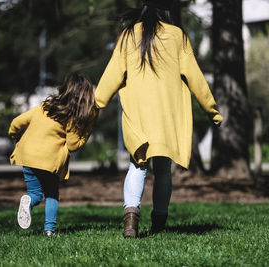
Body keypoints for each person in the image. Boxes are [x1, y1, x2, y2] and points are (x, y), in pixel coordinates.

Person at [94, 0, 223, 238]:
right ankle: (159, 223)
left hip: (138, 114)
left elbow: (112, 74)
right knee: (163, 169)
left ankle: (131, 220)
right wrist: (212, 110)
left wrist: (97, 103)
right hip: (166, 115)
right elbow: (195, 77)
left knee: (137, 164)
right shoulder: (177, 36)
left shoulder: (127, 36)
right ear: (168, 10)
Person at [8, 72, 96, 236]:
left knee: (34, 194)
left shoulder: (44, 106)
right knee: (51, 194)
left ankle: (29, 202)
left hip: (27, 156)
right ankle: (49, 230)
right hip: (48, 160)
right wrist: (88, 129)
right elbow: (72, 144)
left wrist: (13, 133)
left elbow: (17, 122)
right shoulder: (72, 117)